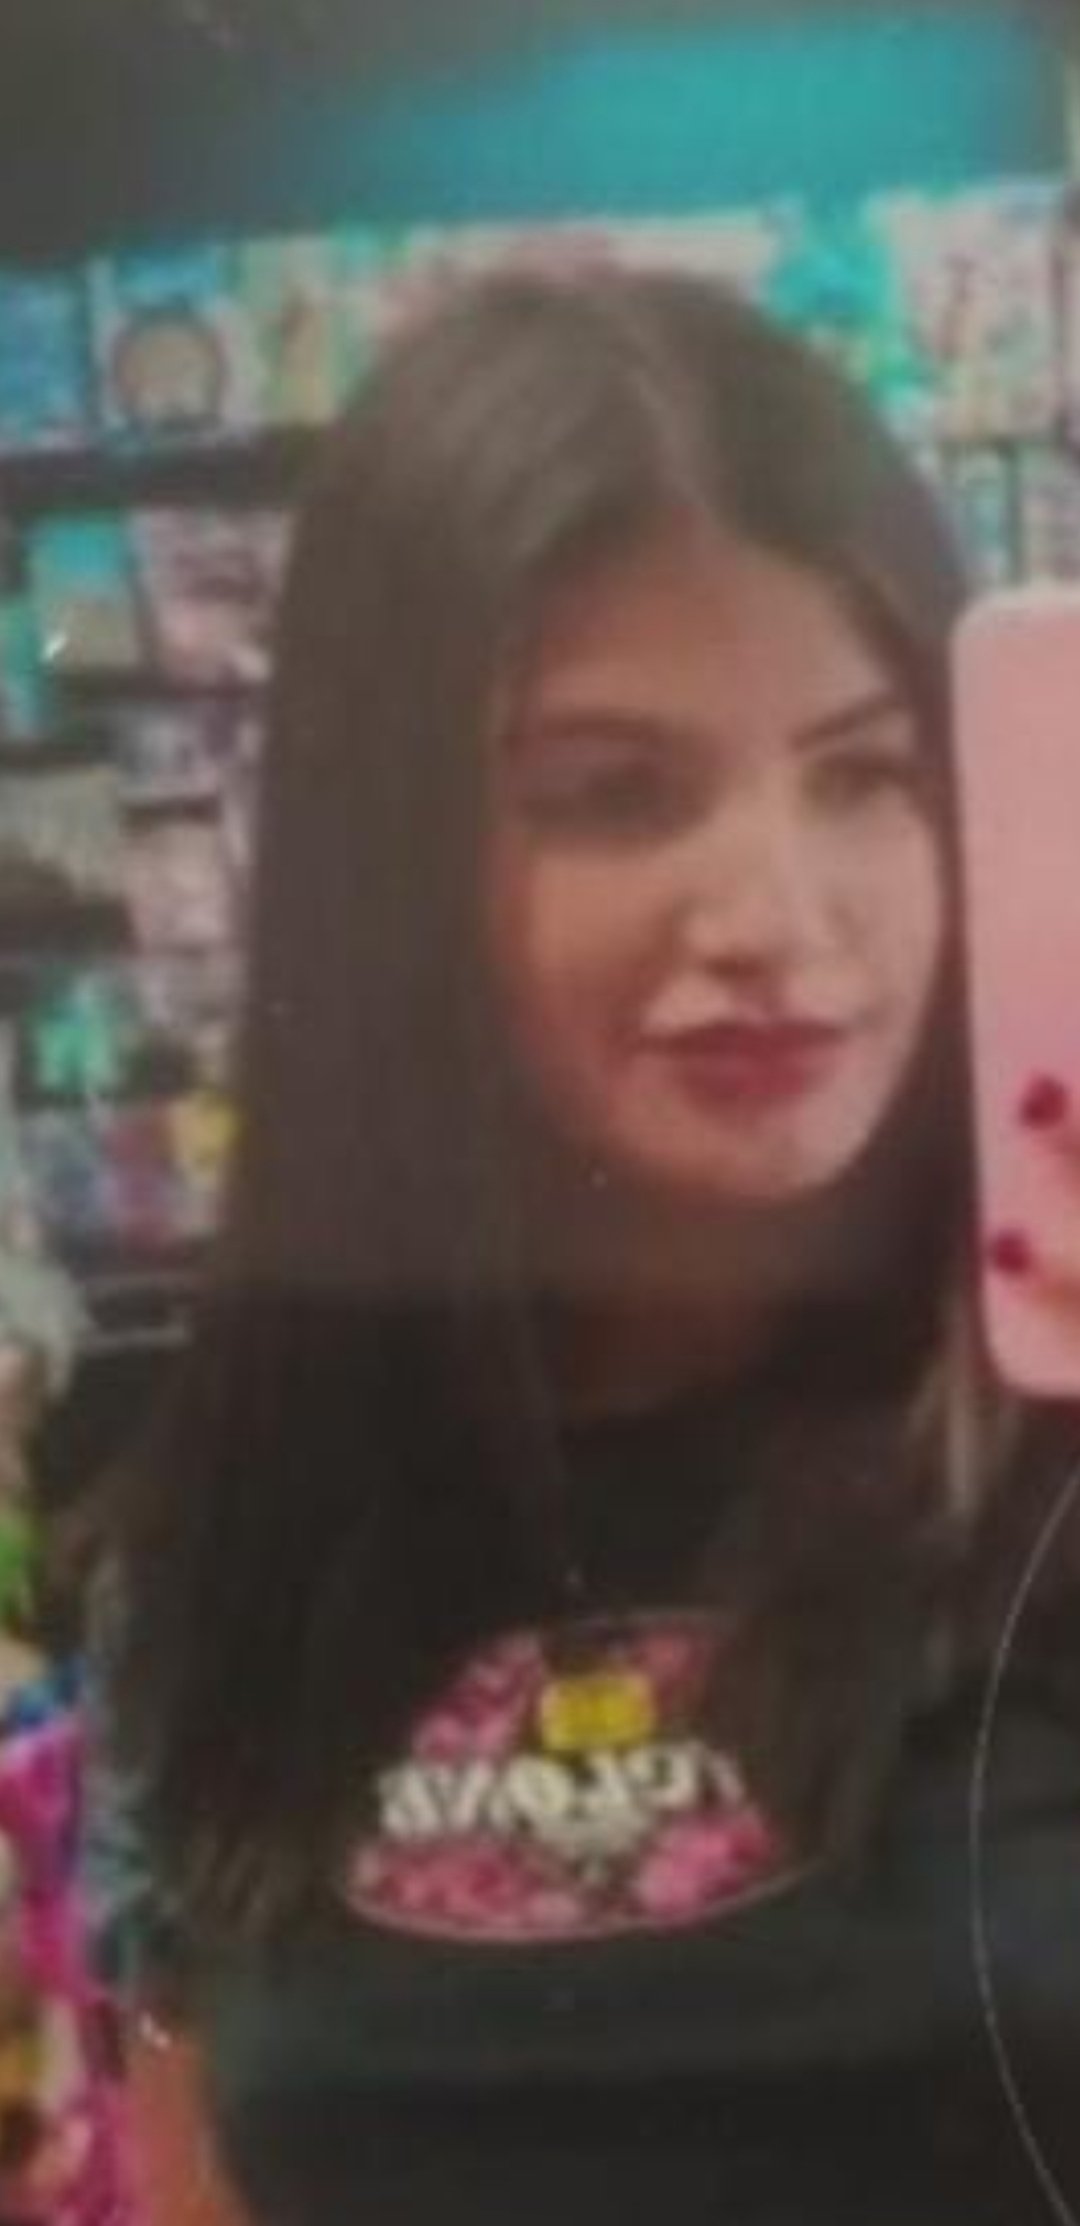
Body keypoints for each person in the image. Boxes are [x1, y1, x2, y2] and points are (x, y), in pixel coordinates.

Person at [85, 263, 1080, 2226]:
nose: (778, 915)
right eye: (615, 795)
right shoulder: (238, 1540)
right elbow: (206, 2167)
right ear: (394, 866)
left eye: (866, 774)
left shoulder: (1044, 1453)